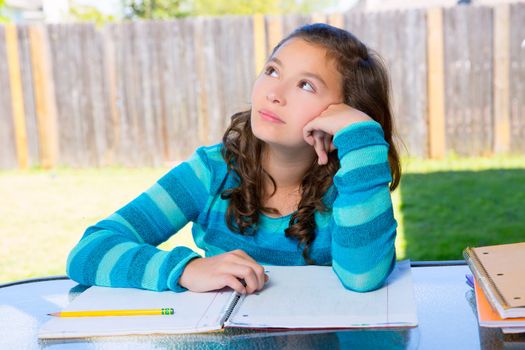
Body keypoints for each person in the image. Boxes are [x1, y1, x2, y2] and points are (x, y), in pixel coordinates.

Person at [66, 23, 401, 296]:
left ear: (342, 112)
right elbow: (89, 251)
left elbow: (363, 277)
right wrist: (185, 269)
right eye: (272, 70)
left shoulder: (354, 180)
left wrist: (361, 136)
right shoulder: (210, 171)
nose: (273, 93)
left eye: (305, 85)